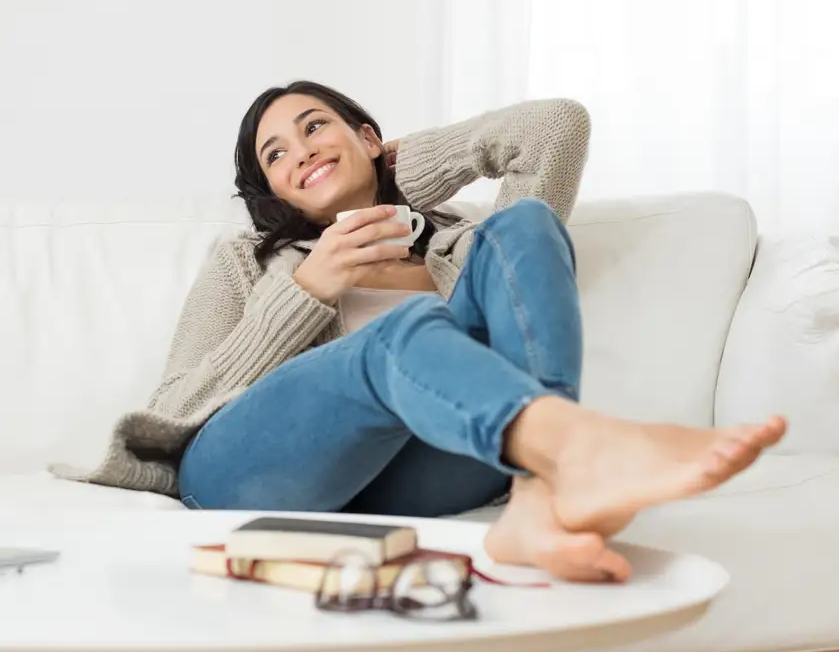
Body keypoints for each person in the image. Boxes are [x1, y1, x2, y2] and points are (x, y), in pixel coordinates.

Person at [51, 81, 786, 582]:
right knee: (403, 334)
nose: (300, 150)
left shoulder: (460, 247)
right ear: (272, 190)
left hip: (411, 475)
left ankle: (540, 493)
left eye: (316, 128)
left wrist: (406, 171)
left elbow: (555, 126)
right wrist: (308, 290)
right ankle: (577, 458)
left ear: (369, 137)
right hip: (250, 471)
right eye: (276, 154)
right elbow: (179, 399)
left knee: (525, 222)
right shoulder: (249, 261)